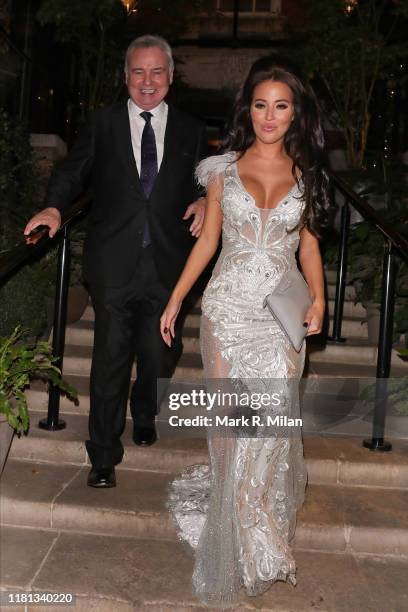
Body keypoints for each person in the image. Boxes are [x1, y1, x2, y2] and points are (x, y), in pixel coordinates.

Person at [160, 56, 328, 607]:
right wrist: (178, 297)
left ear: (295, 114)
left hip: (278, 319)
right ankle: (231, 534)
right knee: (229, 431)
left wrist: (321, 296)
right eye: (261, 105)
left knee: (269, 432)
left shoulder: (305, 176)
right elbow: (208, 242)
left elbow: (306, 243)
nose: (270, 116)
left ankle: (256, 528)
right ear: (248, 111)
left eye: (281, 106)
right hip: (227, 312)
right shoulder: (222, 171)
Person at [24, 35, 208, 488]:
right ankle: (103, 452)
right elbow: (72, 172)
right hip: (113, 262)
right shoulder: (103, 123)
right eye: (139, 72)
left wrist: (206, 201)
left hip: (168, 263)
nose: (148, 82)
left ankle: (145, 410)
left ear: (170, 77)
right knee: (109, 359)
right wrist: (53, 206)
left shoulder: (191, 128)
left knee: (158, 351)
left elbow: (209, 177)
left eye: (157, 72)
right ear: (126, 77)